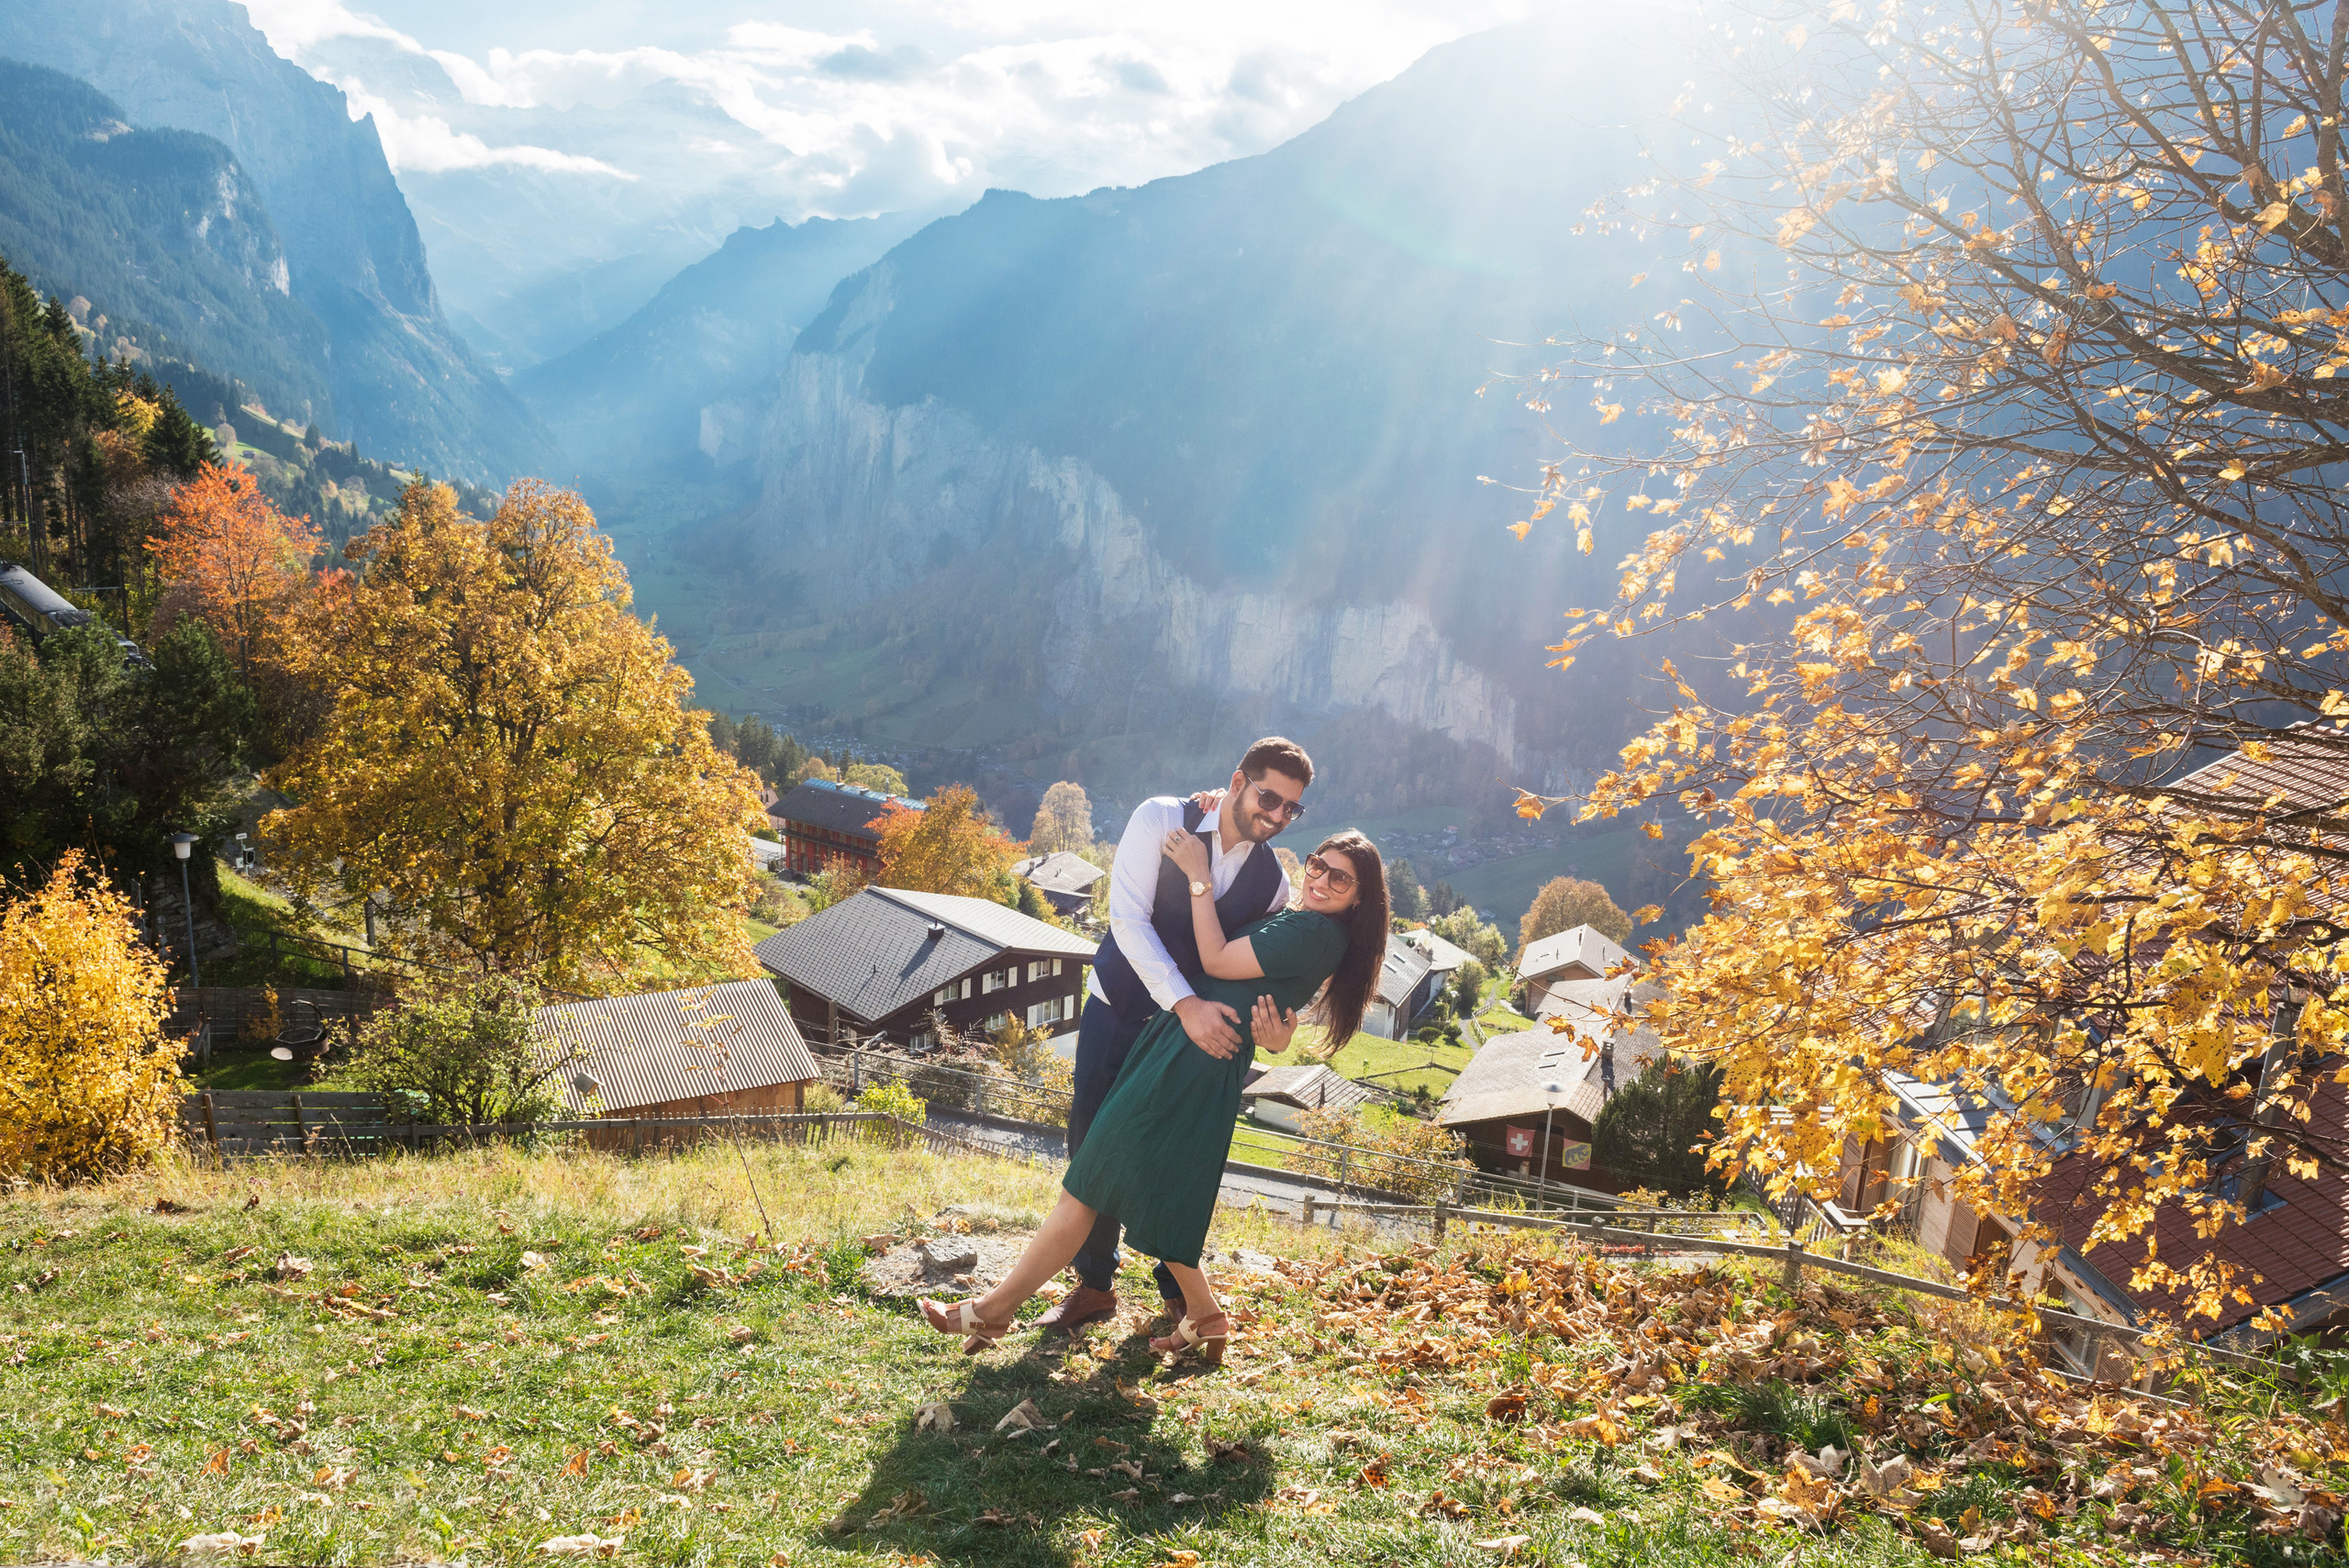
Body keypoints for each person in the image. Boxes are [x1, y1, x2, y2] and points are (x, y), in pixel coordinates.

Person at [919, 829, 1390, 1362]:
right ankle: (1205, 1315)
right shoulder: (1309, 924)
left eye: (1340, 878)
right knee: (1150, 1190)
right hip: (1188, 1051)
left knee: (1088, 1182)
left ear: (1360, 897)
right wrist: (1279, 1031)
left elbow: (1216, 960)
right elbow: (1266, 995)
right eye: (1318, 865)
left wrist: (1198, 876)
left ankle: (993, 1309)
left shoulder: (1314, 931)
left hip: (1190, 1061)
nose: (1321, 880)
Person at [1033, 738, 1315, 1336]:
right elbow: (1128, 921)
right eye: (1268, 798)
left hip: (1187, 1041)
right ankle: (1095, 1285)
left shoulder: (1274, 885)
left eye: (1292, 808)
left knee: (1173, 1158)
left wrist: (1280, 1028)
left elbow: (1257, 970)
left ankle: (1178, 1294)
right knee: (1090, 1145)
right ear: (1237, 782)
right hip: (1118, 1010)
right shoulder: (1161, 818)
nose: (1277, 815)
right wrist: (1184, 1003)